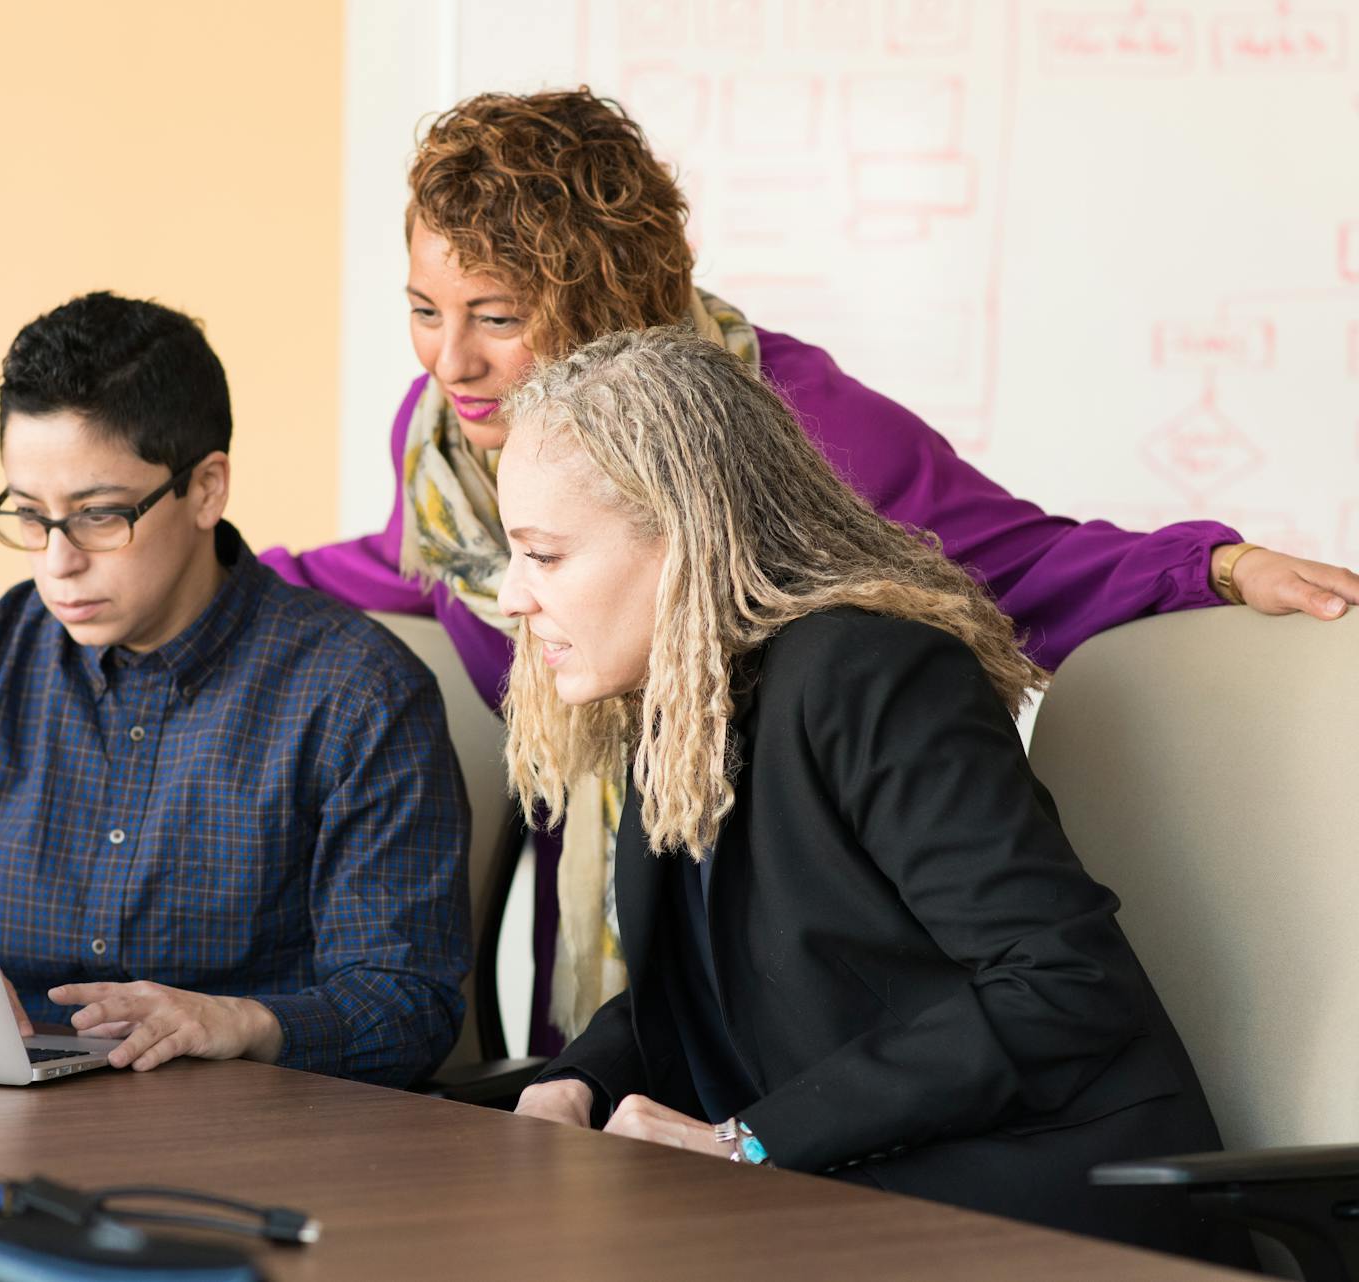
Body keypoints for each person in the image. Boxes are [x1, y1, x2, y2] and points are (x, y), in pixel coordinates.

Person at [259, 87, 1359, 1053]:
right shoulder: (452, 438)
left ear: (600, 299)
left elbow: (1015, 561)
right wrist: (216, 576)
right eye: (423, 310)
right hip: (630, 937)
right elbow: (416, 567)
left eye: (497, 317)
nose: (451, 360)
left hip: (799, 956)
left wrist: (1217, 567)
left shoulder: (794, 424)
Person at [502, 326, 1254, 1265]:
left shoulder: (870, 670)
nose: (510, 596)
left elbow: (1062, 984)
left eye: (544, 557)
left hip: (1033, 1195)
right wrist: (576, 1085)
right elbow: (709, 985)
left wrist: (748, 1145)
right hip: (848, 1181)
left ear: (684, 537)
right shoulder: (679, 697)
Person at [0, 291, 470, 1087]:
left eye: (99, 516)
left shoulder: (358, 695)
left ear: (206, 489)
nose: (57, 561)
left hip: (244, 1143)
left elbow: (407, 1006)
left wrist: (241, 1021)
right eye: (29, 516)